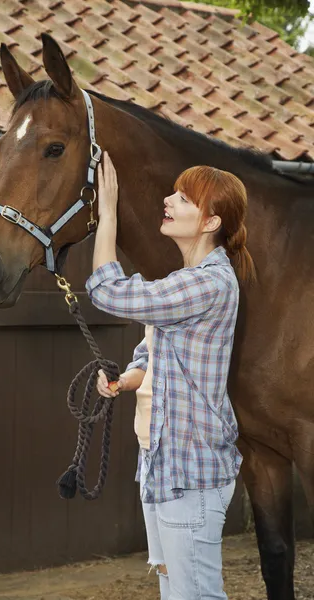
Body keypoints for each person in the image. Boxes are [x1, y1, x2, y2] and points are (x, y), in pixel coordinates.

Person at [85, 152, 255, 600]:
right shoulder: (186, 279)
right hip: (161, 465)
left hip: (190, 474)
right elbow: (151, 354)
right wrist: (126, 379)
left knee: (194, 595)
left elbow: (109, 292)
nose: (169, 200)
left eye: (183, 198)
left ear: (210, 222)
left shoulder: (209, 283)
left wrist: (108, 217)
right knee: (174, 591)